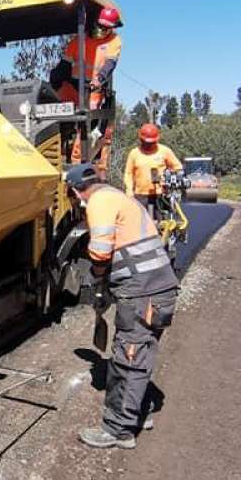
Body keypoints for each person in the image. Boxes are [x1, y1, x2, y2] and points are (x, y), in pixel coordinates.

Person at [66, 163, 180, 450]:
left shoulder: (98, 202)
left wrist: (97, 277)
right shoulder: (119, 197)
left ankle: (118, 430)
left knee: (128, 358)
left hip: (143, 292)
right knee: (141, 354)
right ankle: (138, 413)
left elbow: (101, 251)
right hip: (158, 288)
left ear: (76, 189)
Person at [49, 7, 123, 171]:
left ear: (112, 27)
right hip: (73, 85)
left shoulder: (114, 41)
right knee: (55, 110)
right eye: (100, 25)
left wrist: (99, 79)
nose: (101, 30)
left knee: (89, 116)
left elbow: (110, 64)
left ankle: (78, 162)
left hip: (93, 88)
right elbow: (65, 65)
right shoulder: (78, 41)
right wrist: (55, 78)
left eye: (106, 27)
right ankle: (55, 153)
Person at [123, 123, 183, 217]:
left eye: (151, 143)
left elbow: (178, 168)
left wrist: (167, 179)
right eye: (146, 142)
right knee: (140, 225)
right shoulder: (134, 153)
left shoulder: (164, 151)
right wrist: (129, 191)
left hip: (160, 195)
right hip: (140, 196)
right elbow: (128, 173)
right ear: (141, 139)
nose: (149, 144)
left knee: (163, 225)